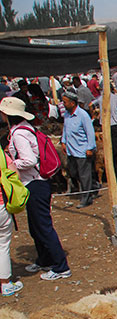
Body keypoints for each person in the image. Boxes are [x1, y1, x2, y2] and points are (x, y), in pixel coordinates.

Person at [1, 96, 71, 280]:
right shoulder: (26, 128)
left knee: (43, 227)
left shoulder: (19, 134)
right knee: (36, 226)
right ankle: (45, 259)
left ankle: (60, 266)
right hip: (36, 182)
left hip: (34, 183)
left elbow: (30, 160)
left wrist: (11, 163)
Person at [61, 91, 98, 209]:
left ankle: (86, 198)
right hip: (71, 150)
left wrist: (90, 148)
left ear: (72, 103)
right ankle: (94, 185)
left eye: (65, 102)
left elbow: (90, 132)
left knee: (84, 175)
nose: (63, 104)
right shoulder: (67, 115)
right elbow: (65, 129)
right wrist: (63, 141)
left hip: (82, 150)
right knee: (73, 172)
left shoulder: (83, 115)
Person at [0, 150, 22, 296]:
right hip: (1, 205)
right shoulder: (0, 153)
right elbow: (15, 174)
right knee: (3, 244)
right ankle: (5, 284)